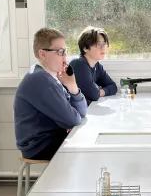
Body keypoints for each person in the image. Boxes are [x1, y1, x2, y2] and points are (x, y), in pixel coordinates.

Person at [14, 28, 87, 160]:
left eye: (65, 51)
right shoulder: (40, 79)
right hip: (39, 146)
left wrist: (72, 86)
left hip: (48, 139)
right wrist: (74, 113)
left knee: (89, 138)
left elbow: (81, 113)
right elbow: (73, 120)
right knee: (88, 146)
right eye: (60, 52)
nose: (65, 57)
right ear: (43, 54)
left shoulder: (50, 77)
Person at [68, 26, 117, 105]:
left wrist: (99, 92)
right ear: (85, 48)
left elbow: (113, 86)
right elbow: (94, 95)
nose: (103, 48)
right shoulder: (79, 64)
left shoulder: (97, 65)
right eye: (99, 44)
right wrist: (97, 92)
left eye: (104, 44)